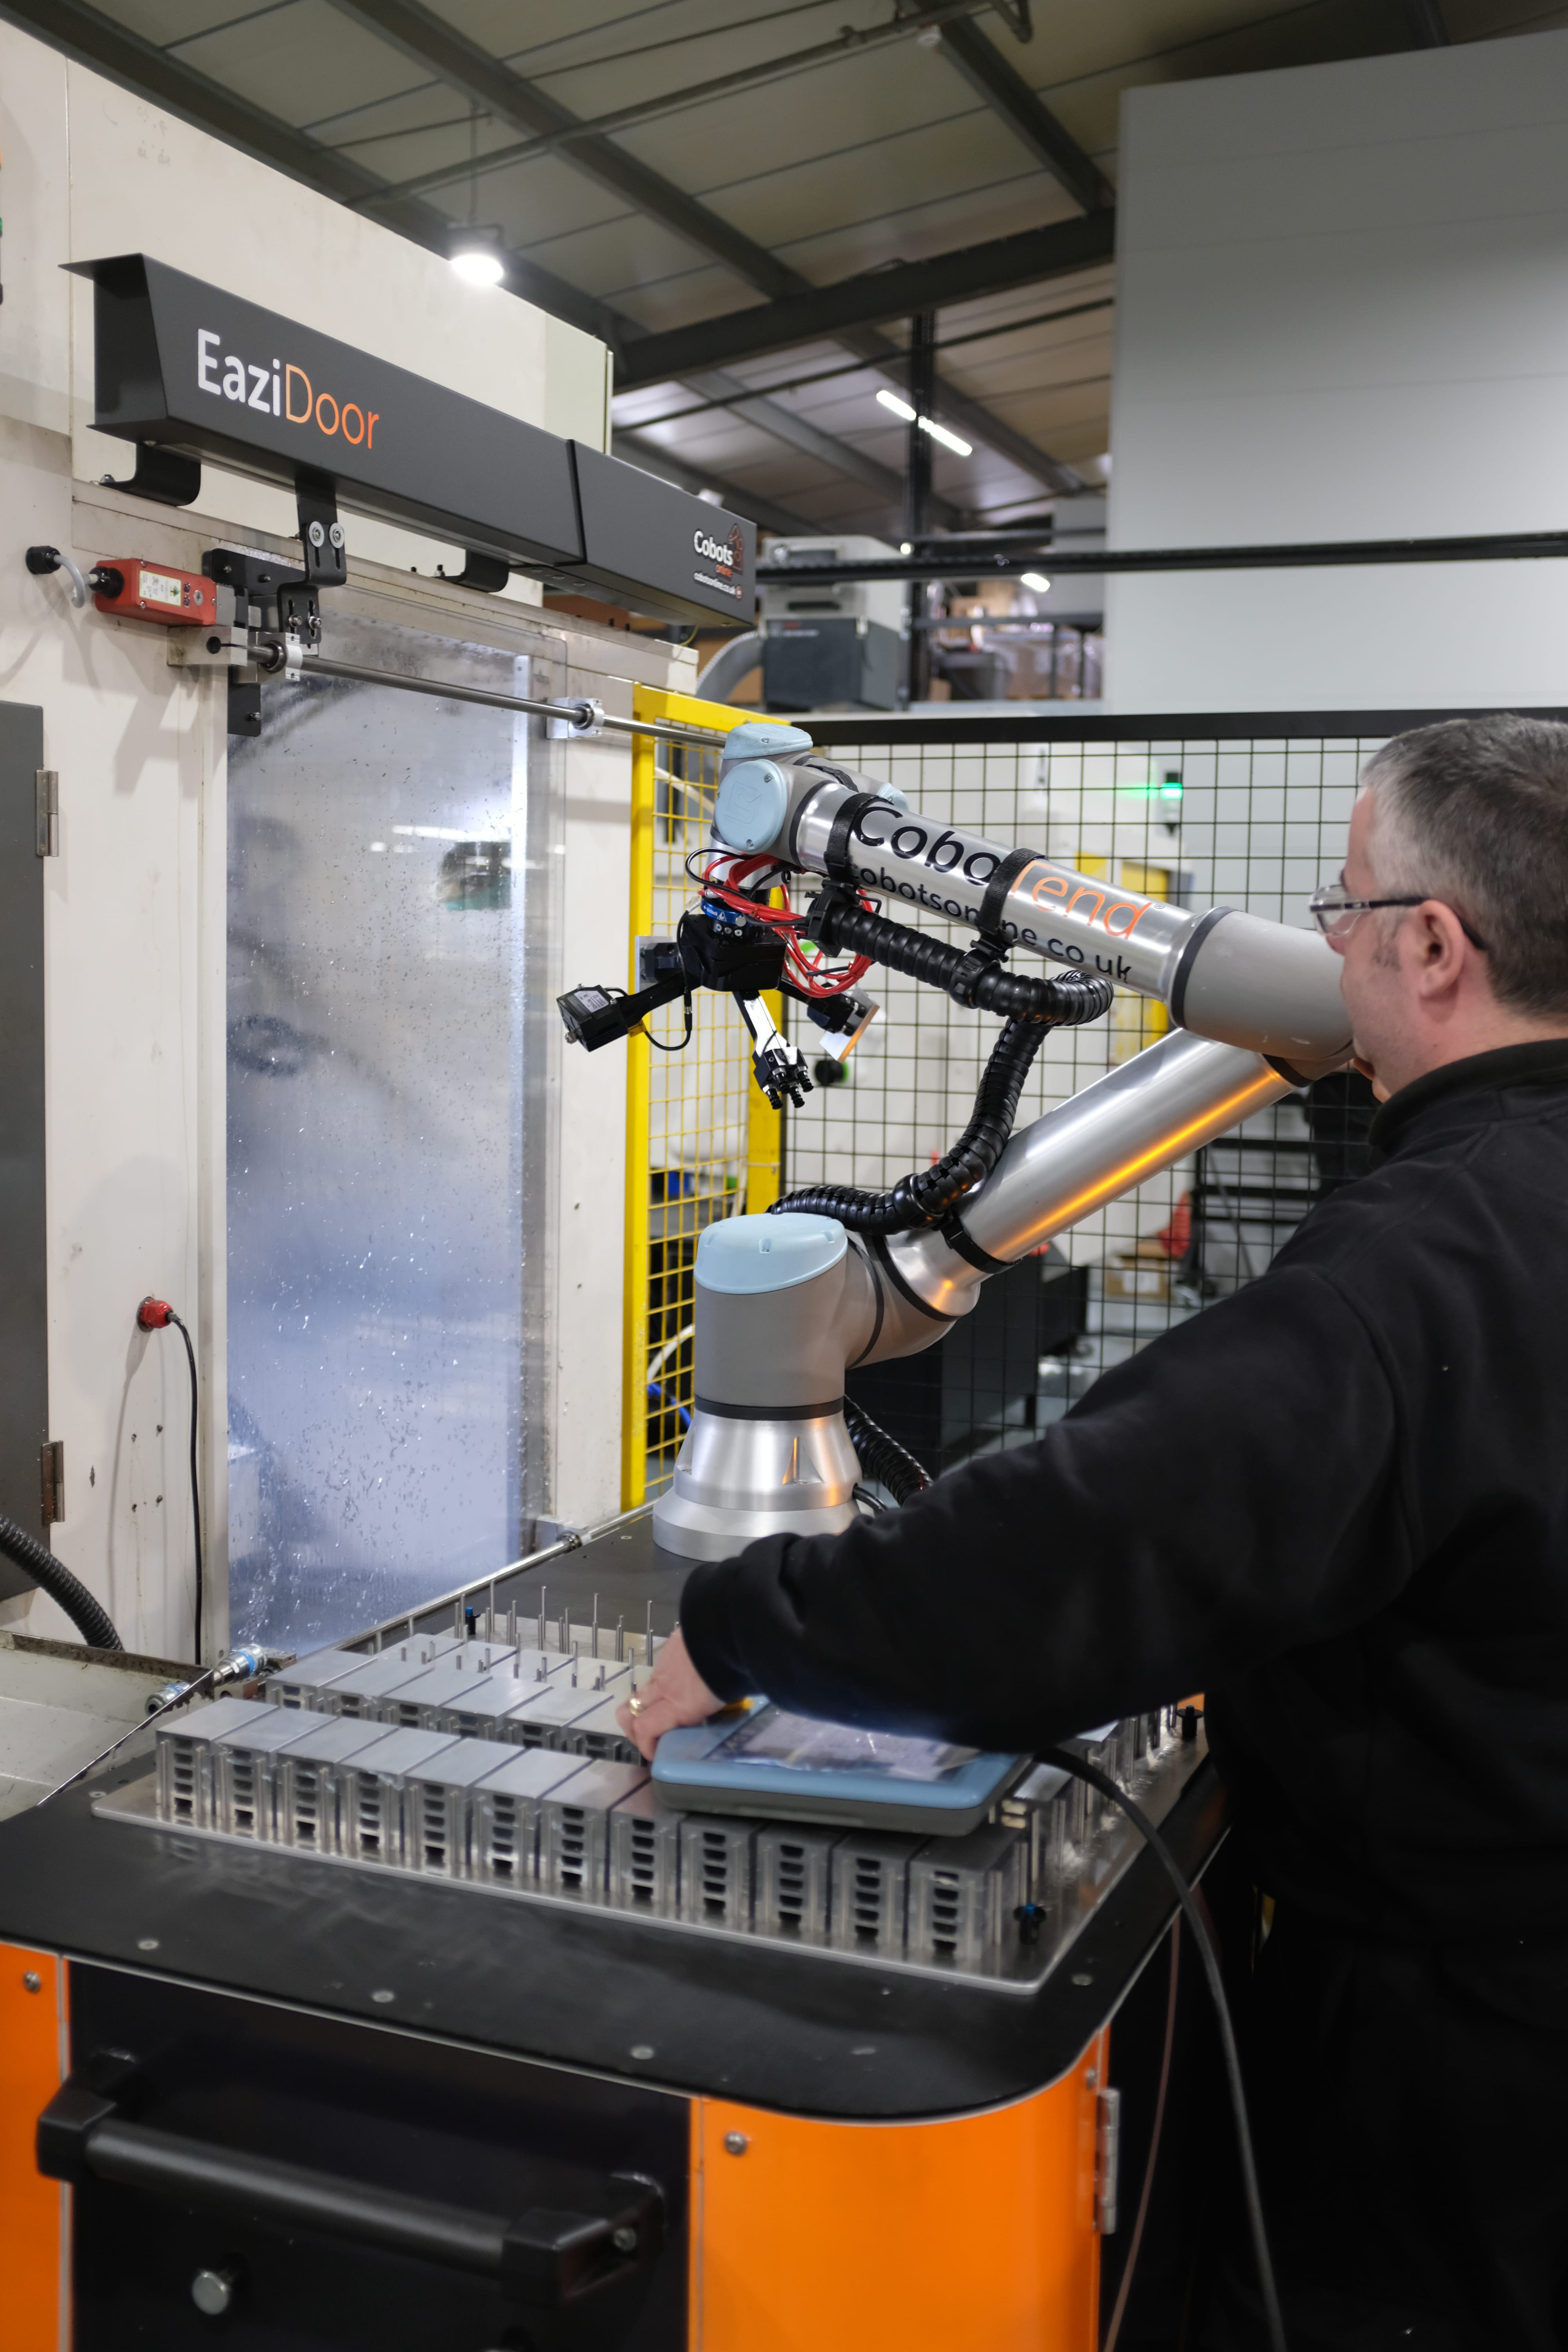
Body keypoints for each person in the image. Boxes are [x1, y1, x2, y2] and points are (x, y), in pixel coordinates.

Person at [618, 714, 1568, 2352]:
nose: (1323, 954)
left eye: (1342, 912)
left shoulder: (1427, 1259)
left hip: (1468, 2084)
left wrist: (740, 1628)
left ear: (1430, 946)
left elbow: (1085, 1548)